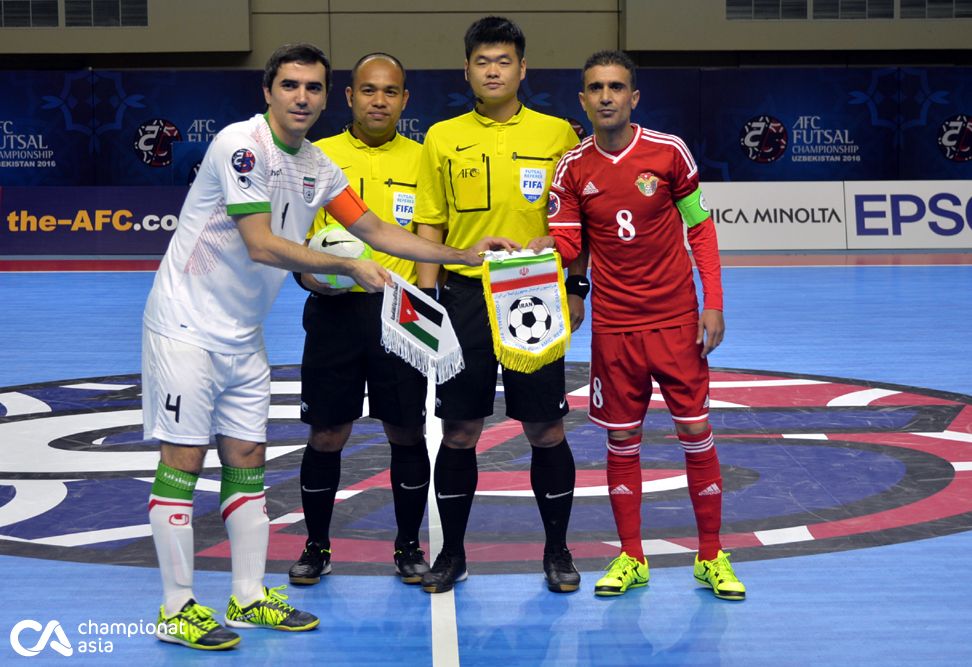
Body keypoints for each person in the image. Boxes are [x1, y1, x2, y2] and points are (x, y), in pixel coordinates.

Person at [143, 43, 516, 651]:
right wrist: (357, 269)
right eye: (290, 85)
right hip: (185, 327)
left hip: (242, 334)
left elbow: (373, 229)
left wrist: (463, 255)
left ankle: (248, 596)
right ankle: (177, 605)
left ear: (324, 96)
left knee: (247, 463)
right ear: (268, 92)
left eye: (312, 87)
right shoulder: (243, 146)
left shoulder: (316, 167)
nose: (301, 97)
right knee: (183, 464)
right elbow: (262, 244)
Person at [528, 50, 746, 600]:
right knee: (622, 442)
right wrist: (539, 250)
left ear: (633, 97)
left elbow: (700, 230)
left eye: (616, 87)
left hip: (676, 323)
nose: (606, 96)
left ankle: (711, 555)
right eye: (595, 87)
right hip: (615, 329)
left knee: (695, 434)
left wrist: (712, 302)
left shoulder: (668, 152)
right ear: (582, 99)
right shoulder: (572, 168)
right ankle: (631, 557)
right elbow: (572, 243)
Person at [412, 16, 582, 594]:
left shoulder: (559, 134)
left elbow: (578, 220)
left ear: (522, 69)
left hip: (534, 293)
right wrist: (427, 297)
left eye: (503, 61)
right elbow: (429, 222)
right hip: (462, 297)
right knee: (459, 429)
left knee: (545, 428)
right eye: (482, 61)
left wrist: (576, 286)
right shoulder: (441, 136)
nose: (492, 70)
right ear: (466, 69)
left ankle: (557, 552)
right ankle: (452, 554)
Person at [287, 52, 432, 587]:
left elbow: (428, 238)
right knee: (327, 434)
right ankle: (316, 545)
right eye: (368, 90)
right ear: (348, 97)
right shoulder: (314, 157)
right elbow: (292, 245)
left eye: (390, 92)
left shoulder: (424, 160)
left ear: (404, 100)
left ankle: (408, 546)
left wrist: (423, 299)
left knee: (406, 432)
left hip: (400, 315)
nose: (378, 100)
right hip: (333, 316)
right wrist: (310, 279)